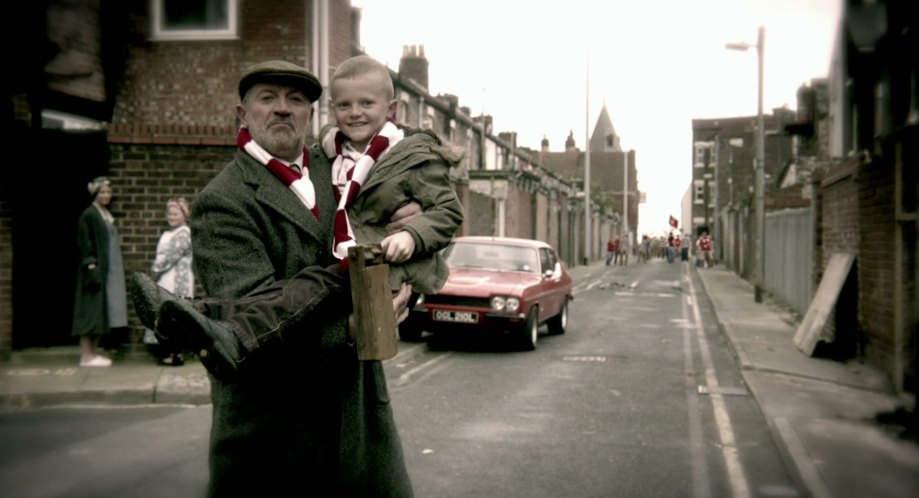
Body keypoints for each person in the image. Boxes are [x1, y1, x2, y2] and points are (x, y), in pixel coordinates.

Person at [139, 58, 460, 496]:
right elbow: (254, 316)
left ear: (313, 113)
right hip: (274, 439)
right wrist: (347, 328)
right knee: (242, 320)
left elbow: (414, 232)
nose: (283, 109)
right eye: (267, 98)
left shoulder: (347, 171)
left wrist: (410, 243)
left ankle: (193, 317)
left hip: (358, 427)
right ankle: (194, 319)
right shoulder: (222, 201)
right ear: (243, 114)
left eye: (296, 100)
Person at [71, 176, 127, 367]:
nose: (106, 195)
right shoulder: (90, 214)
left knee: (103, 310)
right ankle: (86, 356)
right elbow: (84, 242)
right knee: (90, 311)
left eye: (108, 192)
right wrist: (91, 265)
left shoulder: (103, 213)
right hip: (95, 270)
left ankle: (92, 354)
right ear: (95, 193)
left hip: (109, 271)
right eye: (102, 192)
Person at [142, 197, 193, 366]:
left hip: (178, 280)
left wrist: (154, 272)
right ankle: (170, 351)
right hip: (166, 278)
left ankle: (176, 354)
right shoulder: (168, 233)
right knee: (166, 314)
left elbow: (170, 257)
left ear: (184, 214)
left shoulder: (184, 233)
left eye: (175, 213)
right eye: (169, 213)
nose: (171, 217)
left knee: (175, 315)